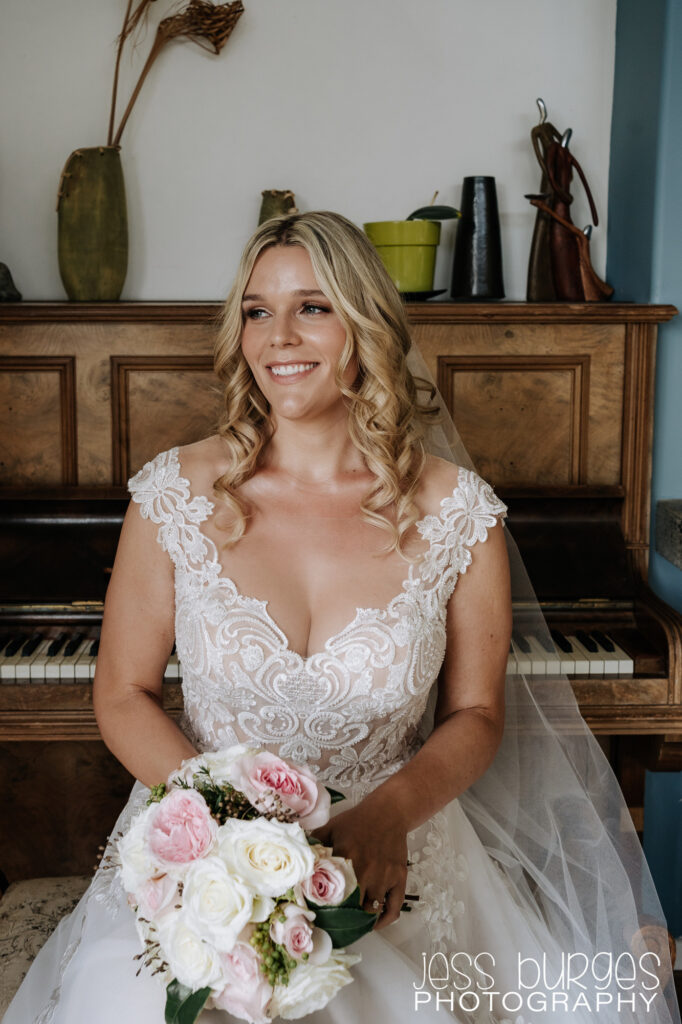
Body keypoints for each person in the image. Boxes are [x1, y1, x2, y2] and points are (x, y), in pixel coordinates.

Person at [2, 212, 678, 1024]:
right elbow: (121, 693)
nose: (277, 337)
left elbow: (477, 713)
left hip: (400, 854)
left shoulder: (459, 513)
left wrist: (386, 817)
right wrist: (231, 838)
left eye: (312, 307)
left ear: (365, 323)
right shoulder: (173, 495)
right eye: (257, 310)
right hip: (206, 860)